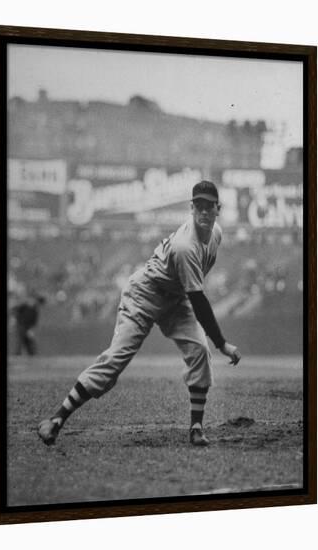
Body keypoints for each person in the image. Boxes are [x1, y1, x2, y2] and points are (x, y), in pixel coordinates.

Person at [38, 180, 241, 447]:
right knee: (115, 360)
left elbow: (193, 293)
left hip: (175, 299)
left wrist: (213, 343)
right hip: (145, 294)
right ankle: (55, 419)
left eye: (209, 207)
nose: (204, 212)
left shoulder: (216, 233)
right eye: (199, 206)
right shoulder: (185, 246)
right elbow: (199, 301)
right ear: (191, 209)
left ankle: (196, 427)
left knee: (200, 352)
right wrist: (222, 343)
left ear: (218, 209)